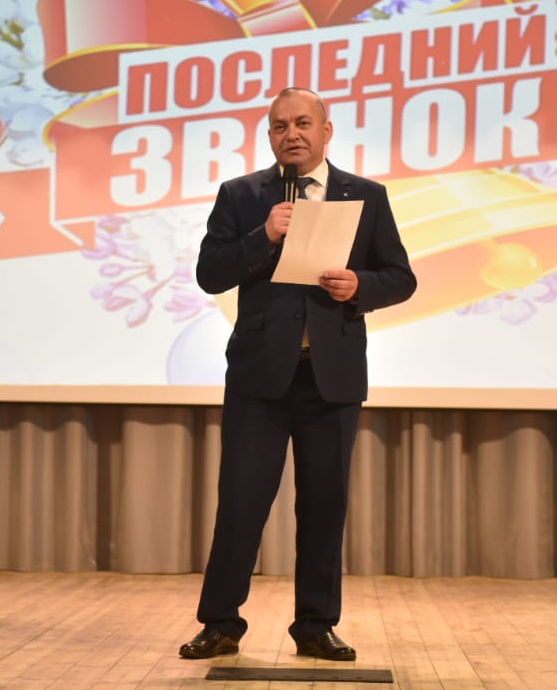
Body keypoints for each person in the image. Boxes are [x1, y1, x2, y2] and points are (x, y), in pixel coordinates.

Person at [178, 86, 417, 662]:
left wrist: (360, 286)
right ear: (269, 135)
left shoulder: (366, 196)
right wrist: (263, 236)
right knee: (240, 504)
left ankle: (315, 625)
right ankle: (220, 623)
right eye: (281, 125)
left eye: (303, 123)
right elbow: (211, 273)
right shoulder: (242, 195)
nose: (293, 134)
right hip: (260, 378)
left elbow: (401, 277)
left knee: (324, 507)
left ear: (326, 131)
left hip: (331, 377)